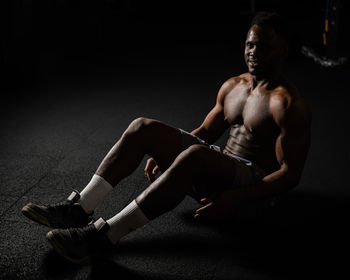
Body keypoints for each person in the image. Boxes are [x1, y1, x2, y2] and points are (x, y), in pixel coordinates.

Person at [22, 11, 311, 264]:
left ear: (283, 49)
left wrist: (236, 197)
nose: (253, 51)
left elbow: (290, 174)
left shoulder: (286, 104)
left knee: (196, 155)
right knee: (142, 127)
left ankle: (104, 237)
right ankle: (79, 207)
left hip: (249, 191)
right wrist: (170, 155)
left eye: (264, 46)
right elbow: (204, 134)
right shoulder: (234, 86)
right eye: (250, 44)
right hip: (216, 167)